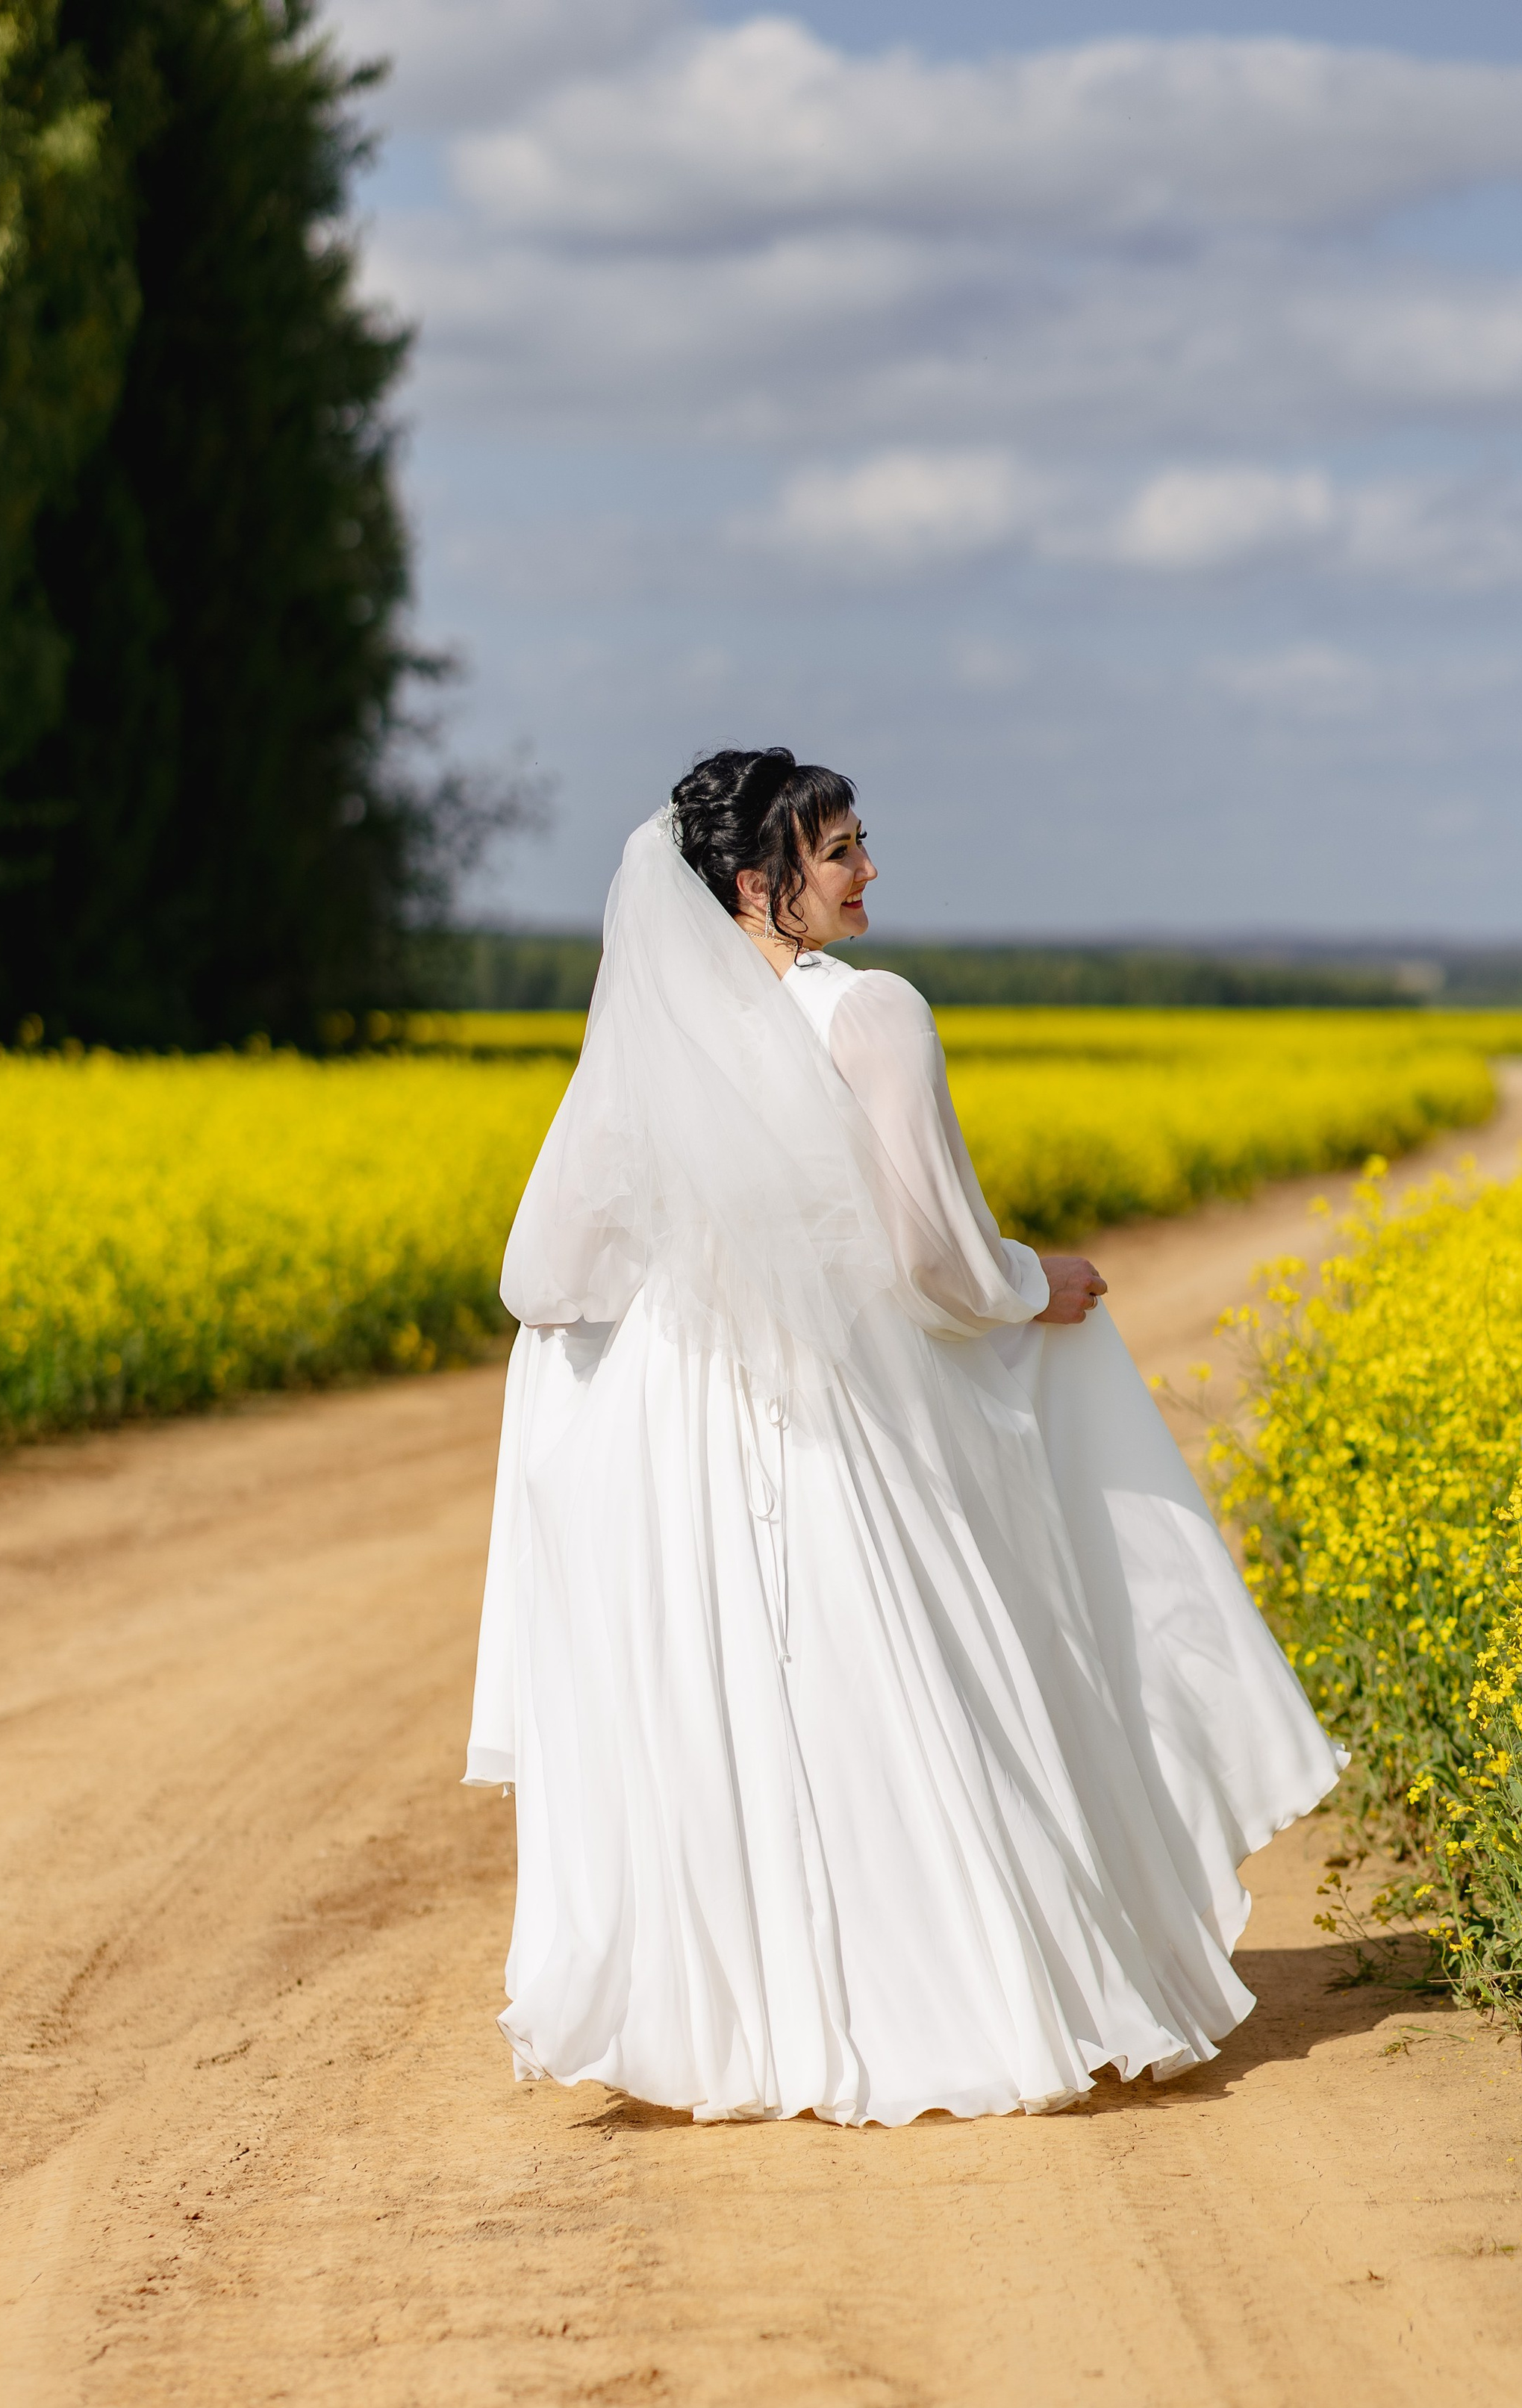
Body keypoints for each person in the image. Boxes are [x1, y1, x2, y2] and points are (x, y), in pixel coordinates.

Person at [465, 747, 1343, 2124]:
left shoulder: (642, 1050)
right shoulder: (870, 1017)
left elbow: (540, 1276)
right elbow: (933, 1258)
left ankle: (745, 2034)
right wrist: (1030, 1279)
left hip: (679, 1437)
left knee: (738, 1708)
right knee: (900, 1685)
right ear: (762, 890)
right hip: (841, 1418)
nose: (870, 870)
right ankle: (943, 2000)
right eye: (841, 852)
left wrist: (680, 1319)